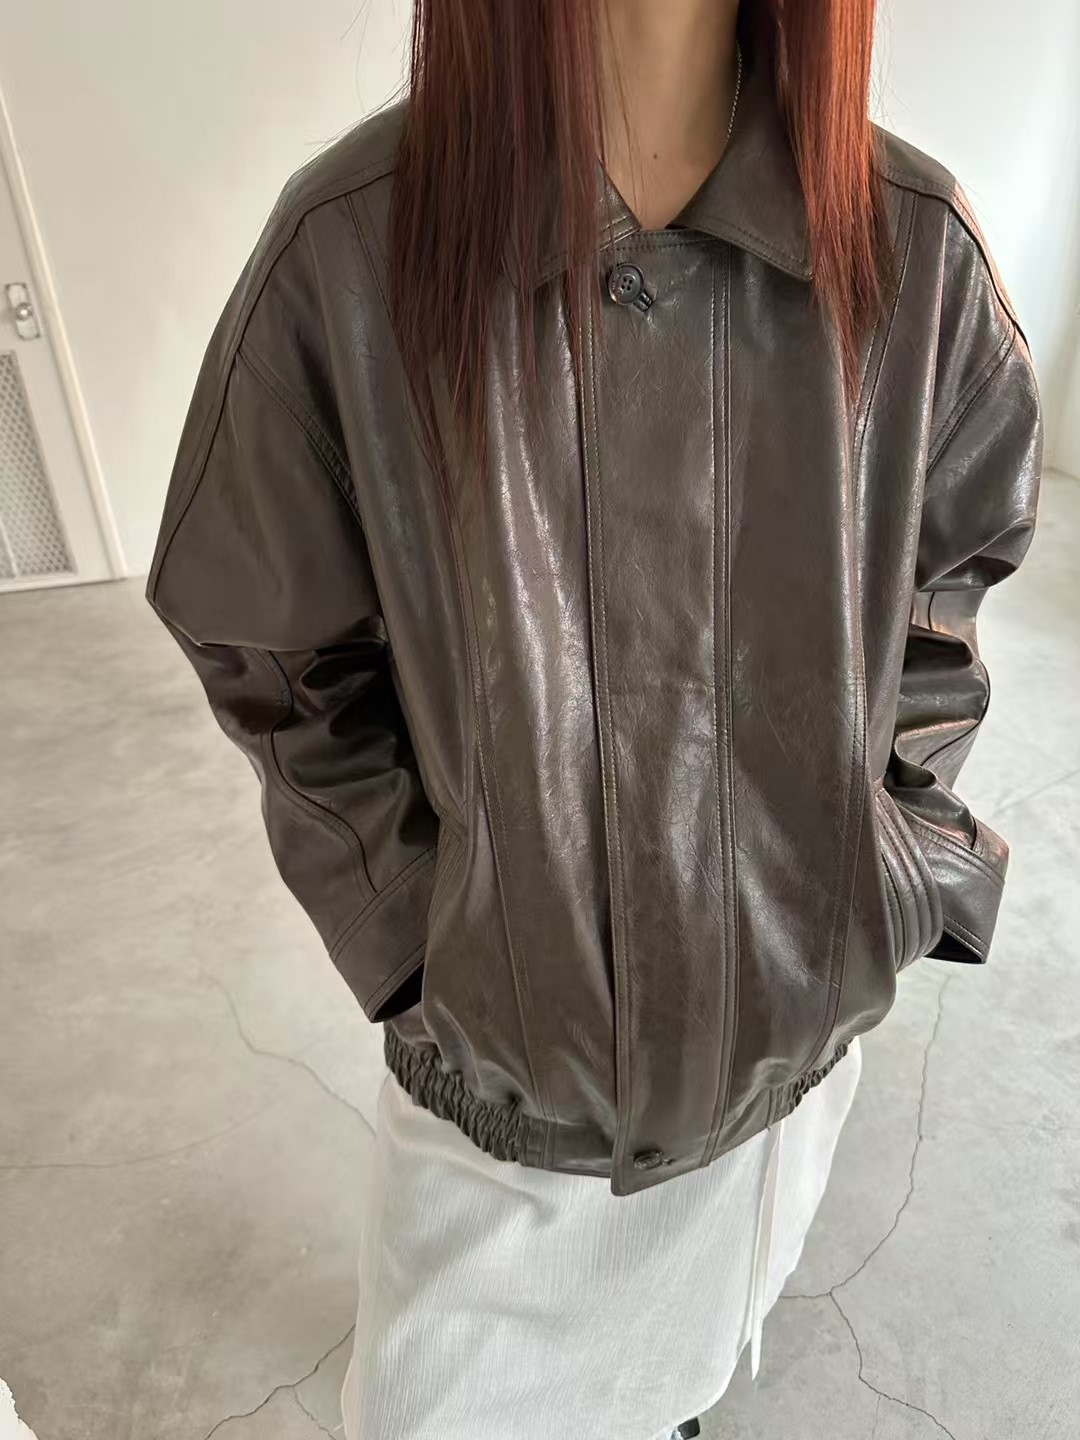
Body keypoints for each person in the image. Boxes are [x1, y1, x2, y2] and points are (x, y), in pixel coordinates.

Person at [144, 0, 1043, 1435]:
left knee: (697, 1364)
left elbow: (947, 589)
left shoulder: (913, 247)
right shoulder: (351, 250)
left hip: (790, 1052)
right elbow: (267, 640)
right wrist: (423, 935)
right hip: (507, 1099)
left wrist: (888, 851)